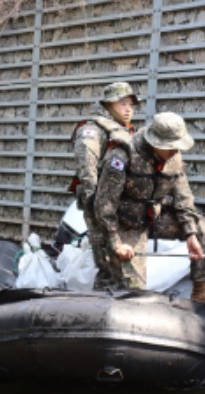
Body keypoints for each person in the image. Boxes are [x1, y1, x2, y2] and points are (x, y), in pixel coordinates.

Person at [94, 112, 205, 310]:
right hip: (126, 223)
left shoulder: (174, 158)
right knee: (134, 289)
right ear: (155, 143)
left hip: (156, 217)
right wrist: (116, 243)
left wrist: (191, 233)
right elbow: (104, 204)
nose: (175, 150)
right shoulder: (122, 156)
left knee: (203, 229)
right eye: (171, 146)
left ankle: (201, 291)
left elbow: (183, 198)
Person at [69, 82, 142, 288]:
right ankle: (102, 303)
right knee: (107, 262)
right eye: (122, 103)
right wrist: (95, 202)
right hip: (99, 204)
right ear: (109, 105)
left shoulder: (124, 130)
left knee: (122, 263)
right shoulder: (92, 131)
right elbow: (87, 167)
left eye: (131, 104)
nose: (128, 109)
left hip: (121, 203)